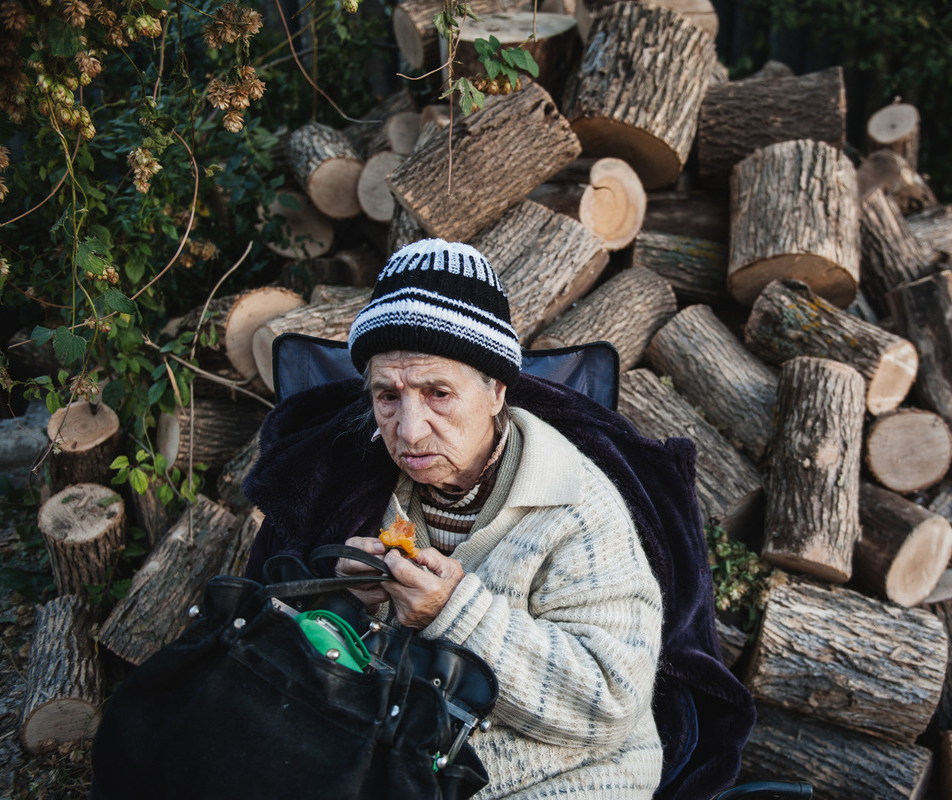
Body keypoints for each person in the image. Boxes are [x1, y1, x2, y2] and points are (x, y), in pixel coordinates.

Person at [244, 238, 666, 798]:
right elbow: (274, 643)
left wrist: (454, 613)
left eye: (438, 392)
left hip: (564, 770)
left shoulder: (573, 507)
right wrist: (346, 602)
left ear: (495, 391)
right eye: (387, 395)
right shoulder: (348, 483)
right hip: (395, 756)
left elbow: (608, 703)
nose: (410, 429)